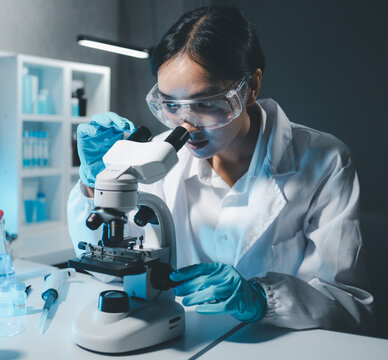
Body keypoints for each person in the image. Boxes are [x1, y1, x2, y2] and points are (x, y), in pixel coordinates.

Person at [67, 5, 372, 331]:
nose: (186, 124)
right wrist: (96, 185)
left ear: (250, 87)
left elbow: (349, 307)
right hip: (183, 340)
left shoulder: (326, 162)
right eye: (170, 104)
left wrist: (261, 298)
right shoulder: (156, 159)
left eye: (207, 104)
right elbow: (106, 267)